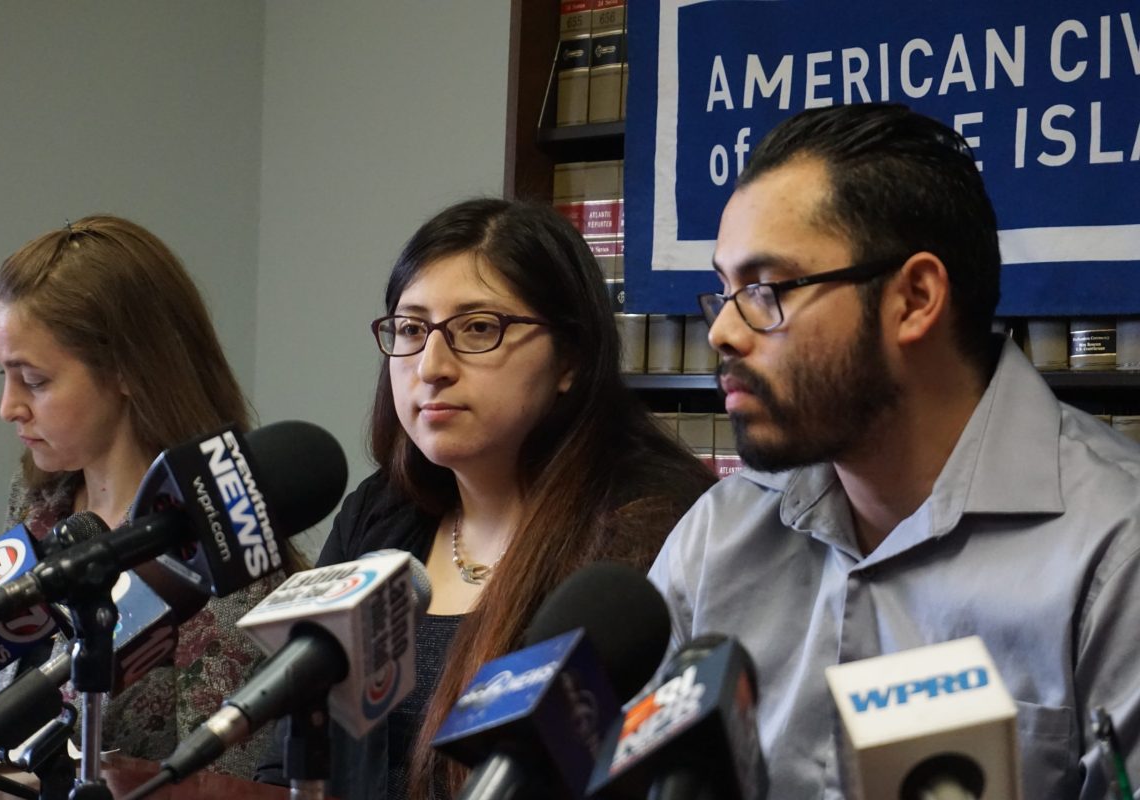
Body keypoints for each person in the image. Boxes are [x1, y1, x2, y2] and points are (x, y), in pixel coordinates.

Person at [648, 102, 1140, 799]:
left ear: (914, 298)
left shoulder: (1117, 551)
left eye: (764, 289)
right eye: (724, 293)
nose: (723, 332)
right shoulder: (717, 538)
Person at [256, 197, 716, 799]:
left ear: (569, 359)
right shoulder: (381, 513)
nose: (431, 366)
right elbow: (284, 756)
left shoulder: (651, 528)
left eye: (478, 328)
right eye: (412, 329)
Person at [0, 214, 275, 778]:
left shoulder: (220, 545)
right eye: (1, 374)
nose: (8, 407)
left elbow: (223, 781)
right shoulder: (39, 496)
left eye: (33, 380)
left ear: (129, 370)